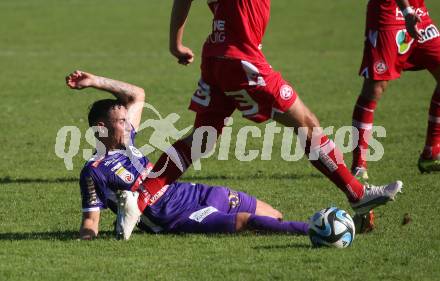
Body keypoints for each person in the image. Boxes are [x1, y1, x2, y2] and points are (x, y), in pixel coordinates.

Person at [139, 0, 402, 220]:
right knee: (307, 124)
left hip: (217, 57)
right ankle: (357, 194)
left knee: (201, 139)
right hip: (242, 60)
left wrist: (176, 43)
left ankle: (140, 197)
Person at [66, 70, 309, 240]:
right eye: (121, 121)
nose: (129, 125)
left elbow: (136, 95)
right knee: (247, 222)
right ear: (101, 128)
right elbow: (91, 222)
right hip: (179, 216)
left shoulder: (129, 141)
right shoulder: (95, 170)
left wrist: (95, 81)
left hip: (197, 192)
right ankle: (314, 231)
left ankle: (316, 230)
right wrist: (84, 244)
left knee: (276, 218)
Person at [351, 0, 440, 231]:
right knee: (375, 88)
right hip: (390, 13)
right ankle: (359, 166)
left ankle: (431, 152)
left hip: (418, 12)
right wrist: (406, 9)